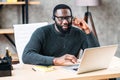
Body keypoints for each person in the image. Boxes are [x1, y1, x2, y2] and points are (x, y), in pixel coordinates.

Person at [22, 4, 100, 66]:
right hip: (47, 73)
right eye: (60, 18)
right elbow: (26, 56)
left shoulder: (78, 33)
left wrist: (87, 30)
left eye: (68, 18)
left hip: (70, 73)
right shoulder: (41, 32)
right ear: (54, 18)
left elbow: (95, 55)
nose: (65, 21)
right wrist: (55, 60)